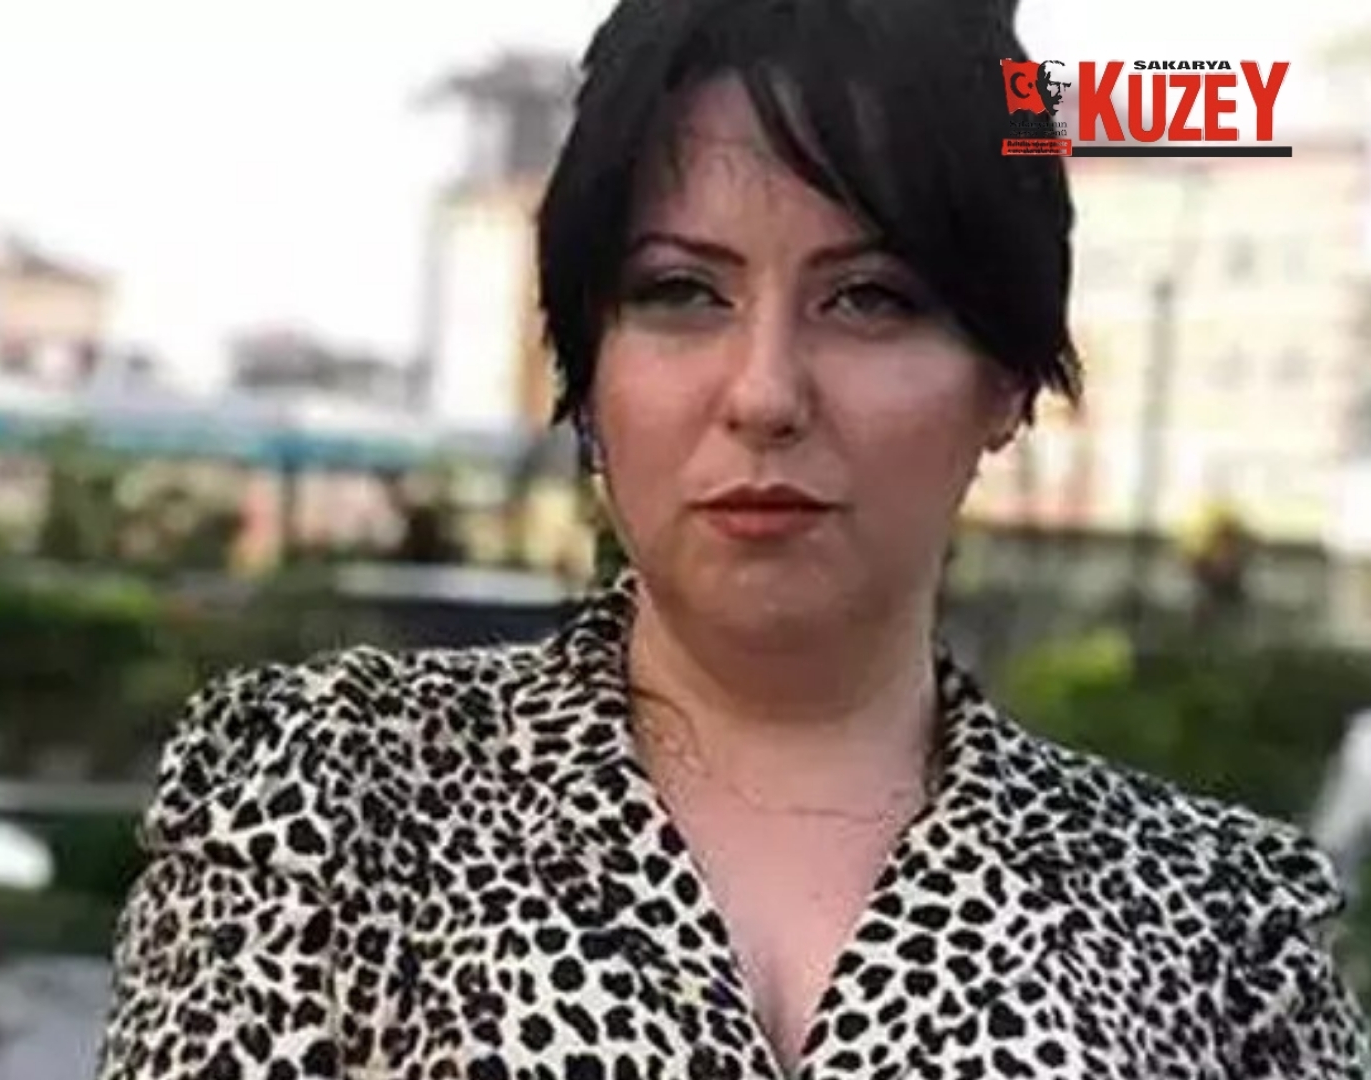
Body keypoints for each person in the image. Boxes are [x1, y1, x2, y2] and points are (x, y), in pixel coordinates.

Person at [97, 0, 1371, 1075]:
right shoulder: (325, 802)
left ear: (1006, 380)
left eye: (869, 298)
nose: (764, 393)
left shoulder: (1217, 930)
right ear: (590, 369)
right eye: (681, 292)